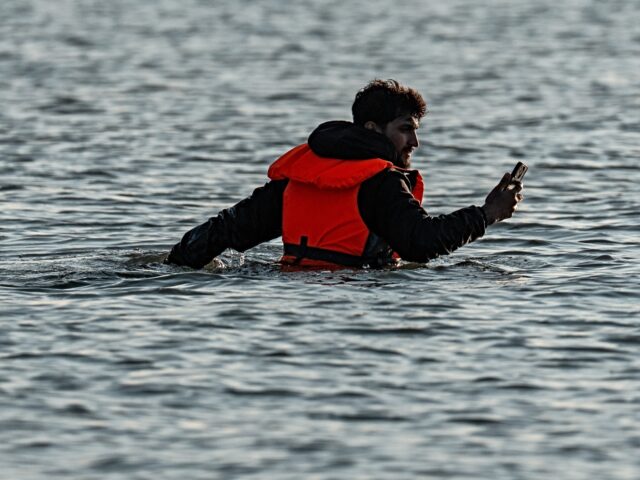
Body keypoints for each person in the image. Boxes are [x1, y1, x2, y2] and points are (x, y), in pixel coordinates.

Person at [165, 79, 523, 269]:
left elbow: (224, 230)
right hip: (356, 305)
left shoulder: (301, 175)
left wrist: (171, 266)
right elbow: (421, 243)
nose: (415, 142)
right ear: (372, 128)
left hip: (290, 306)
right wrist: (488, 214)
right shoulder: (381, 182)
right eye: (405, 129)